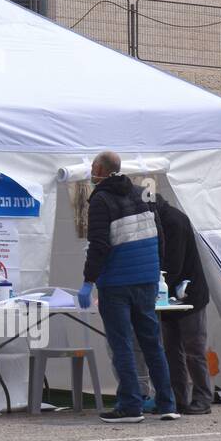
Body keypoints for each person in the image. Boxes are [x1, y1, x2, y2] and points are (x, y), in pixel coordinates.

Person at [78, 150, 178, 423]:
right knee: (152, 343)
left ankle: (130, 406)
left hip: (117, 283)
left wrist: (88, 281)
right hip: (146, 280)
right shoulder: (142, 194)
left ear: (99, 168)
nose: (91, 171)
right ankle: (167, 403)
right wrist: (156, 270)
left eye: (93, 167)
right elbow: (160, 235)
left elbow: (99, 245)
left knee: (121, 343)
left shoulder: (101, 199)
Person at [152, 197, 213, 414]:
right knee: (172, 350)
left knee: (193, 349)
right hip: (169, 296)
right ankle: (178, 399)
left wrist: (153, 288)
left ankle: (203, 398)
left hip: (190, 295)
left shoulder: (174, 222)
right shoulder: (164, 219)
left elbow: (173, 265)